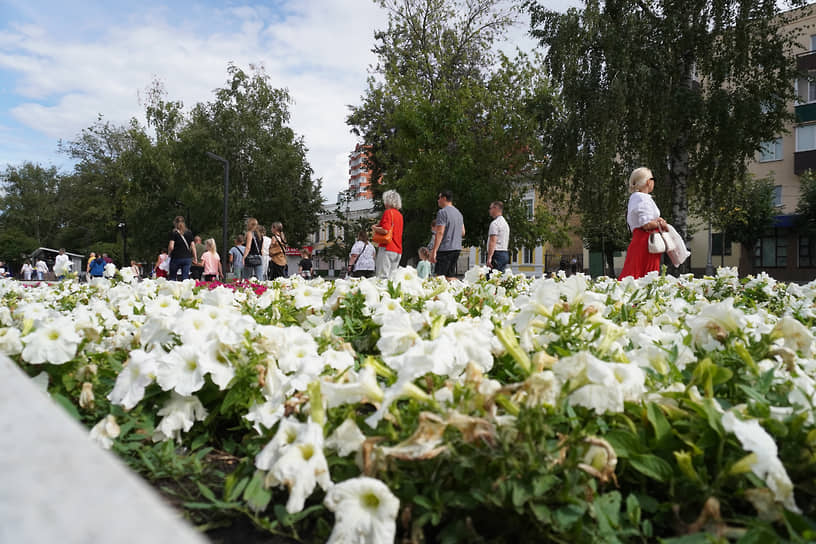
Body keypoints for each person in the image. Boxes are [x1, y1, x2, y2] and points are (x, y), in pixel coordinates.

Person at [619, 167, 668, 280]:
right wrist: (661, 223)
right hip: (646, 240)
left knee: (635, 274)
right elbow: (646, 224)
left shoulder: (637, 198)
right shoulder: (642, 198)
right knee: (645, 275)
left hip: (642, 239)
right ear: (648, 182)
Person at [431, 189, 465, 280]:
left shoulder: (442, 212)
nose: (438, 200)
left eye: (439, 198)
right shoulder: (459, 213)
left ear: (444, 198)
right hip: (456, 248)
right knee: (450, 276)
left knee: (440, 278)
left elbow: (440, 232)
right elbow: (463, 232)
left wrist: (434, 251)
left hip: (445, 249)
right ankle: (459, 290)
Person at [373, 189, 404, 278]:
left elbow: (385, 230)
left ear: (388, 201)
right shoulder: (399, 215)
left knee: (382, 277)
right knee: (392, 278)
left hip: (387, 248)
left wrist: (375, 228)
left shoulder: (388, 212)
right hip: (398, 250)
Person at [168, 216, 196, 281]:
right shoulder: (189, 232)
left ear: (175, 223)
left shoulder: (174, 233)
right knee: (185, 278)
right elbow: (193, 246)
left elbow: (171, 246)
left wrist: (169, 254)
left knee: (173, 277)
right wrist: (195, 258)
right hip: (187, 257)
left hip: (176, 257)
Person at [486, 201, 510, 274]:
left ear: (495, 209)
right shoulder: (505, 223)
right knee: (500, 279)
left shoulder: (495, 224)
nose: (489, 211)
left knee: (492, 279)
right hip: (504, 253)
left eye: (490, 208)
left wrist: (489, 257)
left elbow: (493, 241)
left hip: (496, 254)